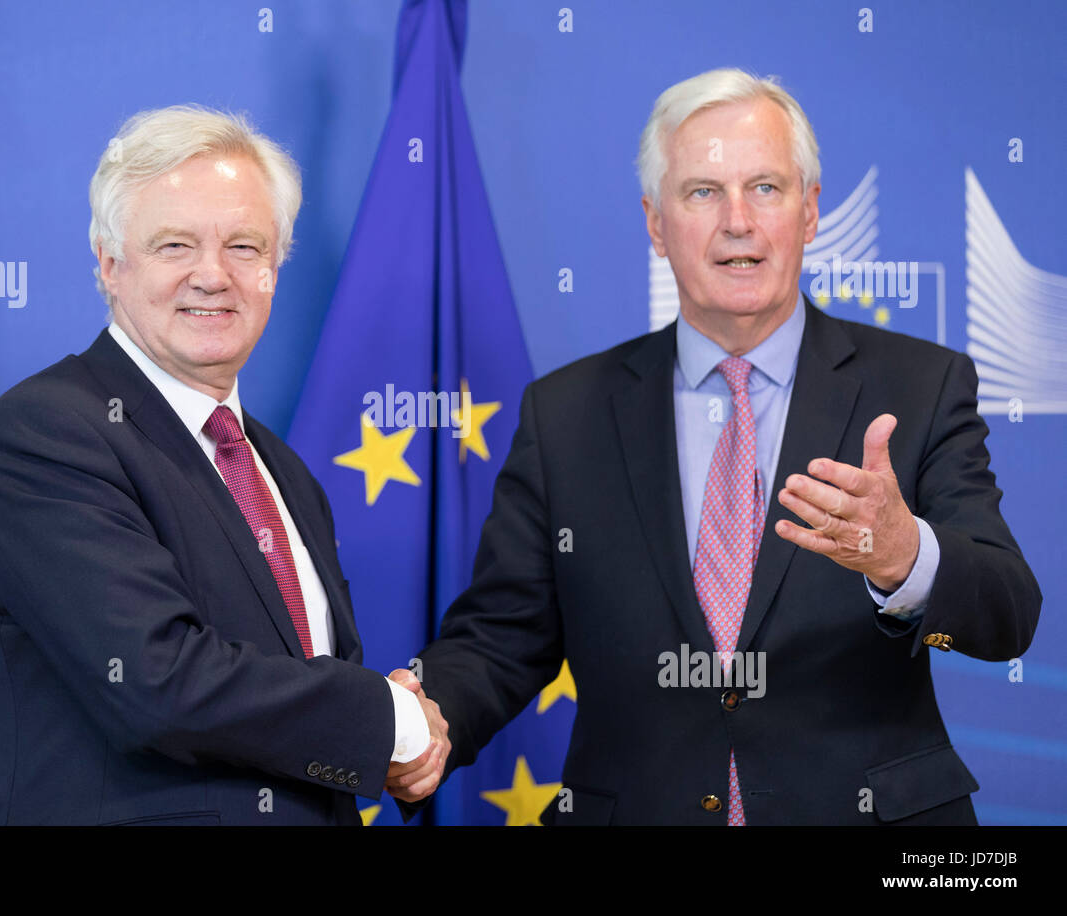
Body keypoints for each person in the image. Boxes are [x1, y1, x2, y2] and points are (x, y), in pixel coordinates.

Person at [385, 68, 1041, 825]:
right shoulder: (564, 414)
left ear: (811, 210)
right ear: (656, 223)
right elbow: (504, 637)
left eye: (765, 187)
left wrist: (906, 557)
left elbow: (1007, 613)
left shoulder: (920, 386)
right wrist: (428, 719)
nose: (738, 220)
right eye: (702, 191)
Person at [0, 105, 447, 825]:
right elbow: (156, 683)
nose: (212, 276)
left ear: (276, 268)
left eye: (245, 247)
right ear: (110, 264)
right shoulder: (48, 431)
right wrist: (391, 719)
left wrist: (389, 737)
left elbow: (306, 709)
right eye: (175, 245)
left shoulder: (283, 473)